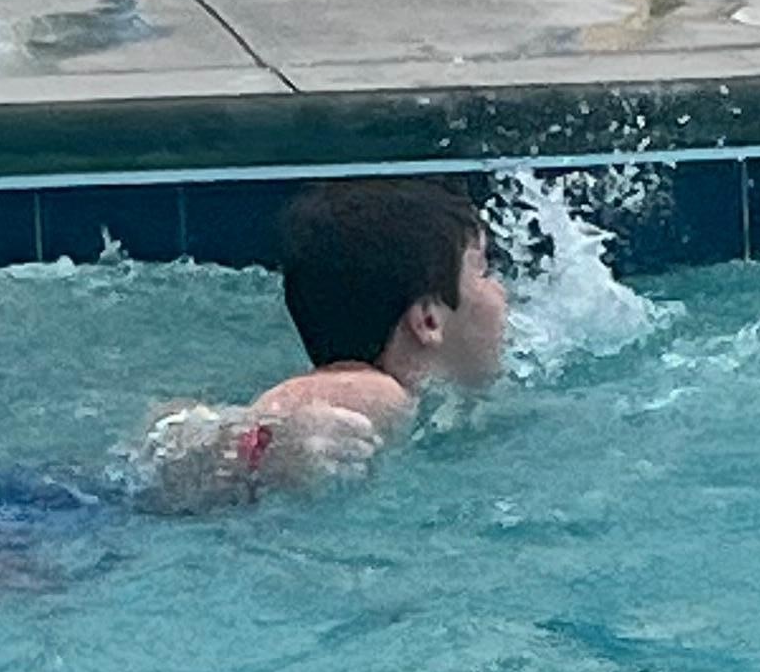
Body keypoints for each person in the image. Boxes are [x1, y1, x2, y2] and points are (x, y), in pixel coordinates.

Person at [133, 180, 509, 507]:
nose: (502, 290)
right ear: (428, 320)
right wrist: (273, 445)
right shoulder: (377, 392)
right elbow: (272, 419)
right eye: (483, 272)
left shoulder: (421, 403)